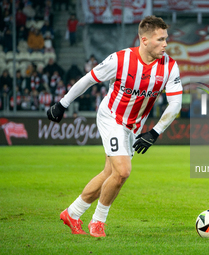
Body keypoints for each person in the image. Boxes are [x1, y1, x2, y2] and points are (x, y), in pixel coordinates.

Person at [46, 15, 182, 237]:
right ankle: (98, 221)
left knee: (109, 173)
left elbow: (175, 103)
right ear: (144, 40)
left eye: (166, 39)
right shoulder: (120, 60)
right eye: (160, 39)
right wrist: (63, 104)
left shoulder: (169, 66)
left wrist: (155, 132)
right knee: (123, 171)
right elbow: (89, 79)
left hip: (134, 126)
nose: (165, 44)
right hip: (112, 118)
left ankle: (72, 213)